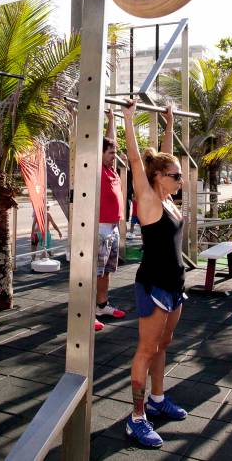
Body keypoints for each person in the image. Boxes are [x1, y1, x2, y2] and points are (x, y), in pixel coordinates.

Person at [121, 100, 186, 449]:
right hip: (153, 286)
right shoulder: (148, 200)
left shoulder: (170, 198)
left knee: (164, 345)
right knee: (146, 350)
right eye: (175, 175)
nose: (181, 178)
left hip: (175, 287)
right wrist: (129, 120)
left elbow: (164, 157)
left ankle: (159, 400)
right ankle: (137, 418)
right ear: (159, 178)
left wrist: (169, 123)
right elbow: (137, 161)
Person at [96, 106, 128, 330]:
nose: (113, 156)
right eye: (110, 153)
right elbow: (102, 144)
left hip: (113, 228)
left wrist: (112, 119)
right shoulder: (97, 168)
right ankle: (87, 312)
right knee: (94, 272)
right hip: (99, 229)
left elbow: (111, 141)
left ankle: (101, 305)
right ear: (99, 153)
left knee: (106, 271)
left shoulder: (112, 169)